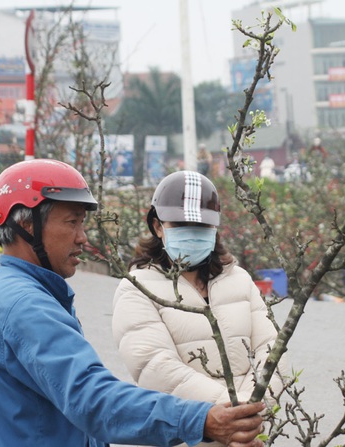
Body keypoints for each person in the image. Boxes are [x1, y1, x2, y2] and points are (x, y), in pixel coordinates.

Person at [0, 159, 265, 447]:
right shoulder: (25, 306)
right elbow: (93, 400)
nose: (83, 237)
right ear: (28, 225)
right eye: (72, 223)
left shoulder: (16, 291)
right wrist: (202, 420)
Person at [112, 170, 288, 447]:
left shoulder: (238, 279)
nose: (192, 233)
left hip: (251, 435)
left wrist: (252, 410)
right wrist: (233, 415)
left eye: (202, 226)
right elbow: (155, 367)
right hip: (189, 436)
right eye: (180, 224)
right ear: (158, 226)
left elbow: (271, 349)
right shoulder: (137, 288)